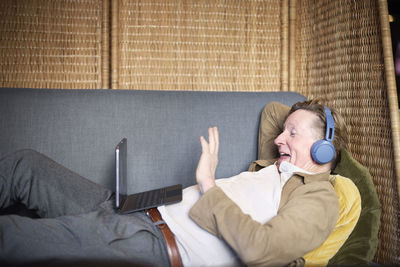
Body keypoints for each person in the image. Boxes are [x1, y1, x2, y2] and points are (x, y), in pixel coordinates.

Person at [0, 100, 350, 266]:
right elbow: (275, 110)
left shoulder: (318, 198)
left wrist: (208, 185)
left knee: (12, 237)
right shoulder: (273, 169)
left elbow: (261, 249)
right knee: (25, 165)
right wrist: (299, 126)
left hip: (150, 242)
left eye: (292, 132)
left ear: (323, 149)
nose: (277, 139)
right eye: (281, 131)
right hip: (134, 208)